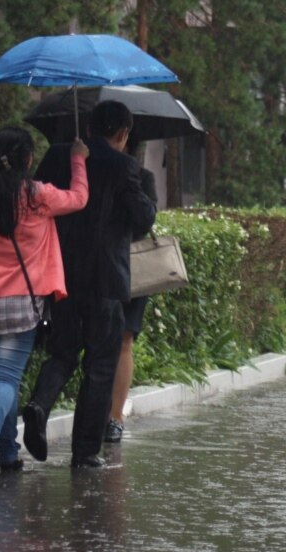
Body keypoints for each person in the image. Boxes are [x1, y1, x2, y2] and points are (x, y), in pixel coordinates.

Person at [21, 101, 157, 468]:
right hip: (105, 280)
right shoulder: (124, 166)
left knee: (62, 352)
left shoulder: (58, 157)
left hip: (61, 273)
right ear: (123, 133)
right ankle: (84, 451)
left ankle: (38, 405)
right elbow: (143, 218)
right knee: (100, 364)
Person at [0, 128, 89, 475]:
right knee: (6, 380)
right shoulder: (39, 196)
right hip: (22, 308)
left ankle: (9, 454)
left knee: (3, 376)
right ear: (28, 159)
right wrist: (78, 159)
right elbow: (79, 198)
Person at [105, 161, 160, 444]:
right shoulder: (91, 171)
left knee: (125, 339)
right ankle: (103, 415)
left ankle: (115, 417)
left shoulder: (142, 177)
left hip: (135, 269)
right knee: (98, 339)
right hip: (101, 265)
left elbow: (147, 219)